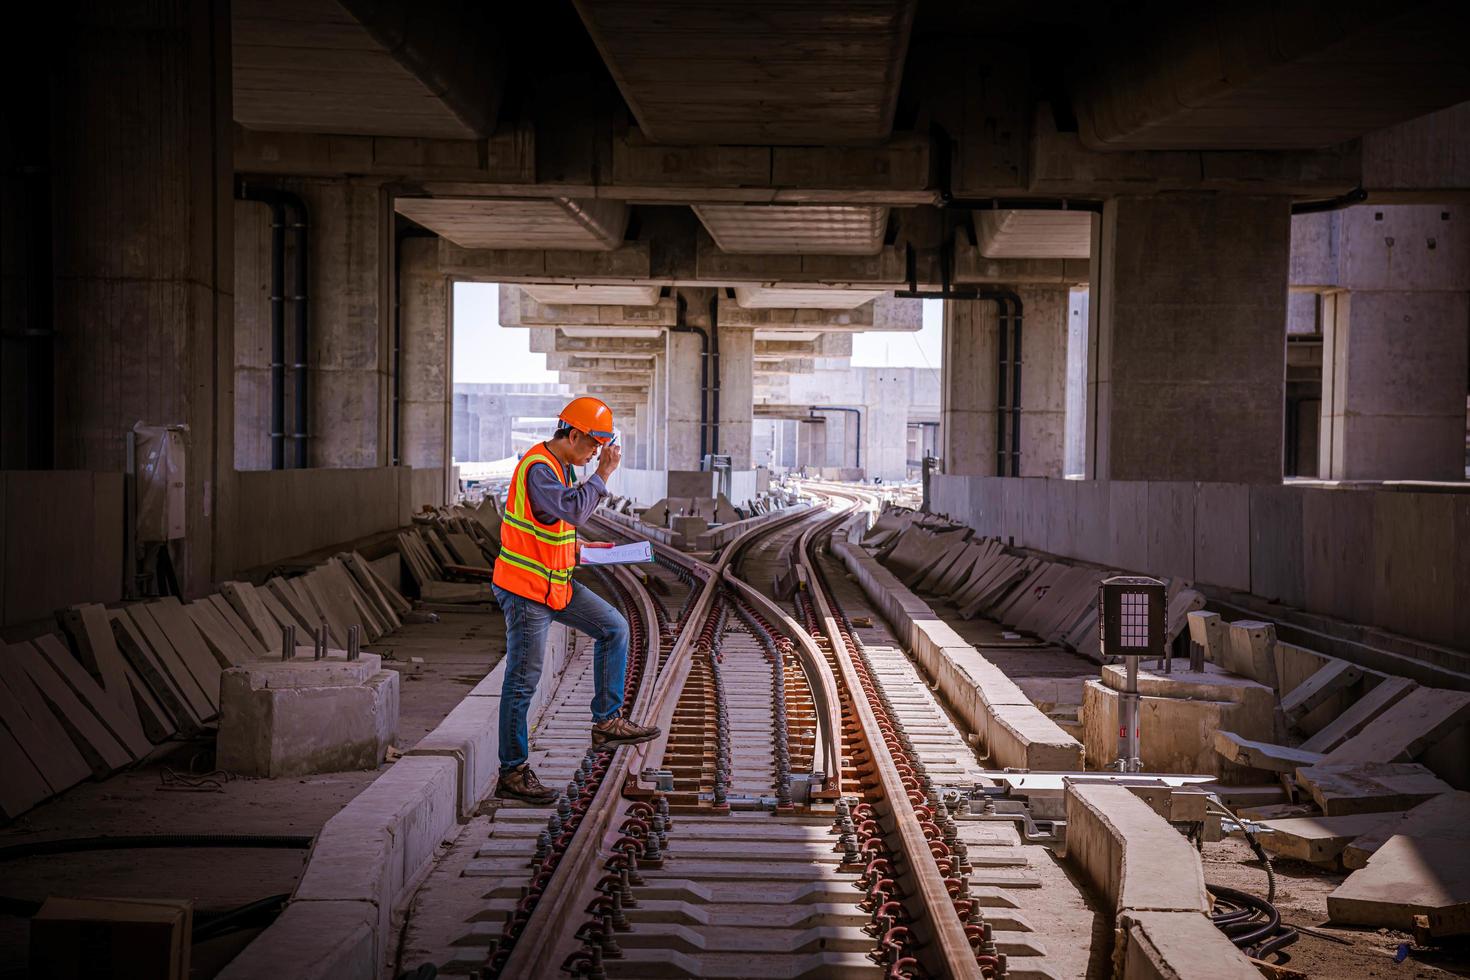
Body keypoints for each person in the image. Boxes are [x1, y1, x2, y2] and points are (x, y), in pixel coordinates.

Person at [490, 396, 660, 804]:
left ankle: (607, 721)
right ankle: (512, 772)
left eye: (601, 448)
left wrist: (583, 550)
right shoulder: (539, 470)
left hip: (555, 582)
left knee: (614, 627)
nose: (597, 453)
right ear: (574, 434)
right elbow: (575, 511)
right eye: (594, 444)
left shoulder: (562, 466)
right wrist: (602, 475)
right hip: (526, 590)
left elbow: (553, 528)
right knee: (522, 680)